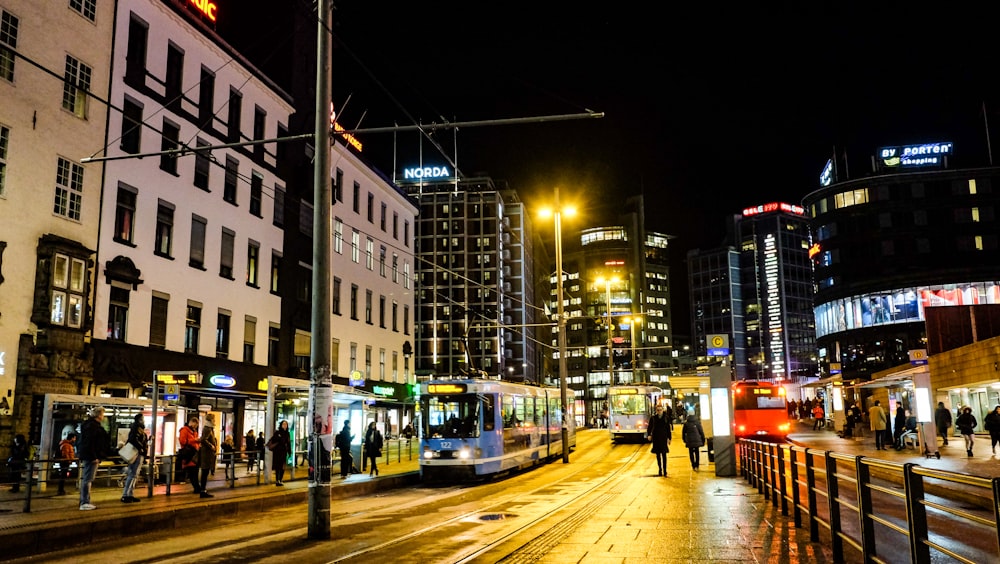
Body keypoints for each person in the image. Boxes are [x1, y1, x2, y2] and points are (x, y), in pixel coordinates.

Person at [77, 406, 110, 510]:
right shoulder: (92, 427)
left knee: (88, 479)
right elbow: (91, 443)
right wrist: (94, 456)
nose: (103, 416)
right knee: (88, 479)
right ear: (99, 415)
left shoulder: (89, 425)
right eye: (102, 414)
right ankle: (84, 502)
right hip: (92, 456)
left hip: (91, 455)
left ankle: (85, 501)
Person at [120, 413, 148, 503]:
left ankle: (129, 494)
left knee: (134, 475)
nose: (144, 420)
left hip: (138, 453)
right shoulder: (137, 428)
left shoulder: (137, 428)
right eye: (143, 418)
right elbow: (134, 440)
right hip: (136, 453)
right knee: (133, 474)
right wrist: (142, 448)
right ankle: (126, 495)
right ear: (140, 420)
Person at [645, 404, 672, 476]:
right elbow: (649, 427)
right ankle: (660, 469)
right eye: (658, 410)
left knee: (664, 455)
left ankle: (665, 470)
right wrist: (649, 435)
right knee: (658, 455)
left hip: (663, 438)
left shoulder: (666, 418)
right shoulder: (653, 418)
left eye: (660, 410)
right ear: (656, 411)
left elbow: (668, 429)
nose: (659, 411)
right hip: (656, 438)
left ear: (663, 410)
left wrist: (669, 438)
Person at [178, 416, 202, 494]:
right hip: (189, 454)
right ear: (191, 423)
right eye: (195, 425)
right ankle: (197, 488)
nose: (195, 427)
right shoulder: (185, 430)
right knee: (193, 472)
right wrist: (195, 440)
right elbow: (183, 441)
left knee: (194, 472)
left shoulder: (193, 431)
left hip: (194, 454)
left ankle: (197, 488)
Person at [197, 420, 218, 498]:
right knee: (205, 472)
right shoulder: (208, 429)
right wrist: (211, 446)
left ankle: (203, 490)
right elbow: (203, 439)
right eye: (214, 419)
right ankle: (203, 491)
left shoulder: (209, 428)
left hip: (208, 454)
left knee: (205, 472)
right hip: (207, 454)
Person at [267, 420, 292, 486]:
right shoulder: (277, 432)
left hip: (284, 452)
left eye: (286, 424)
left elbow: (288, 443)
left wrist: (289, 452)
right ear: (281, 425)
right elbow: (275, 440)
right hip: (278, 452)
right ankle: (277, 480)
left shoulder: (287, 433)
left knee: (283, 467)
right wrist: (280, 438)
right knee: (278, 466)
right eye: (283, 424)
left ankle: (280, 479)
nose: (285, 425)